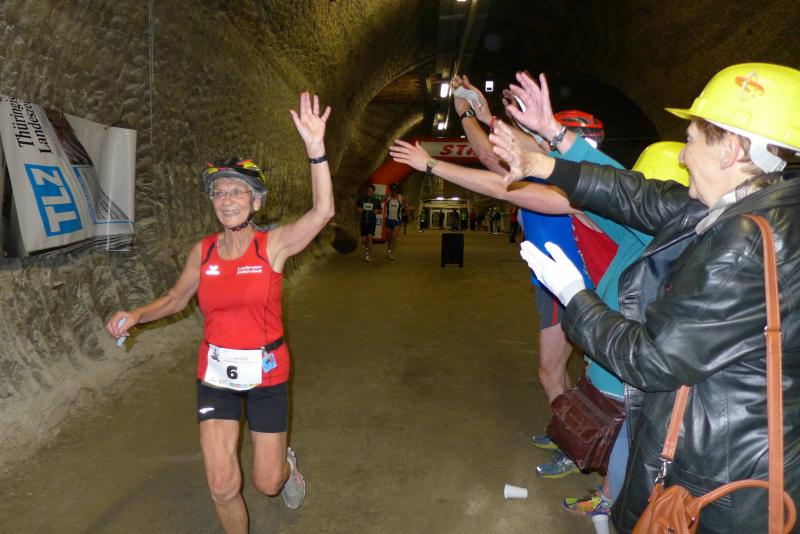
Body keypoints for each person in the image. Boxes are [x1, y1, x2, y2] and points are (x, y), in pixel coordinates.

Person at [499, 63, 800, 533]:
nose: (681, 156)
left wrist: (575, 297)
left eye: (691, 140)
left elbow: (650, 359)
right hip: (741, 460)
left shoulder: (744, 242)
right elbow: (640, 196)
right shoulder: (759, 207)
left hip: (720, 485)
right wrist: (549, 154)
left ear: (731, 151)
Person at [106, 92, 334, 534]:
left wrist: (315, 149)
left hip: (267, 373)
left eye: (237, 191)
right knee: (221, 485)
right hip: (215, 373)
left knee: (266, 483)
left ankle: (286, 467)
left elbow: (323, 212)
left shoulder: (273, 246)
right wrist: (136, 315)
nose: (227, 199)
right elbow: (175, 299)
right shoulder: (204, 251)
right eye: (219, 192)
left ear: (256, 201)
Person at [447, 73, 616, 479]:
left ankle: (574, 444)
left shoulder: (564, 184)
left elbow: (490, 159)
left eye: (546, 137)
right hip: (560, 285)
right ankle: (571, 432)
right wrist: (483, 114)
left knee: (555, 372)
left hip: (569, 288)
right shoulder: (563, 175)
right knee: (574, 374)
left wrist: (468, 115)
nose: (537, 141)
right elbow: (500, 152)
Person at [355, 184, 382, 262]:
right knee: (364, 240)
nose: (370, 192)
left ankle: (368, 256)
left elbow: (381, 210)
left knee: (370, 239)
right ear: (366, 191)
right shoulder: (362, 199)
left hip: (371, 222)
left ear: (374, 192)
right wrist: (358, 209)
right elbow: (356, 206)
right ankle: (367, 252)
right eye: (368, 190)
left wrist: (377, 211)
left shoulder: (376, 201)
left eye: (371, 190)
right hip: (363, 221)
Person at [384, 183, 404, 260]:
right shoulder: (388, 197)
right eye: (392, 190)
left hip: (397, 221)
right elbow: (379, 201)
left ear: (398, 190)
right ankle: (389, 250)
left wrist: (409, 216)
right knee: (389, 238)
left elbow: (405, 207)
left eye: (395, 190)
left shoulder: (401, 198)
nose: (393, 191)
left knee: (394, 237)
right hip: (389, 220)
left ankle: (391, 253)